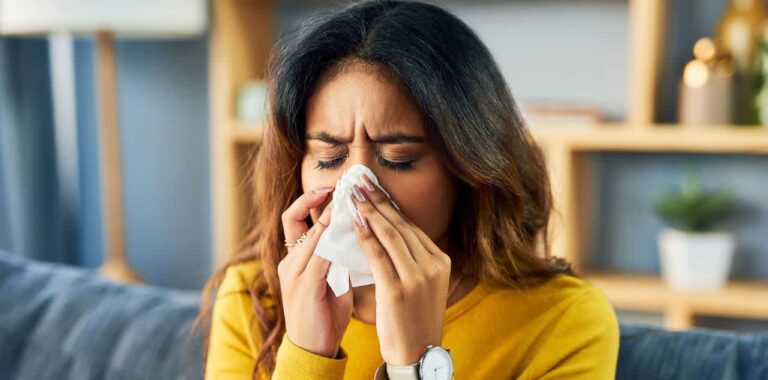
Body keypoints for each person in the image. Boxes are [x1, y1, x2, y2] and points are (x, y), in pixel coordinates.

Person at [196, 1, 619, 379]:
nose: (357, 187)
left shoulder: (563, 320)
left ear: (468, 168)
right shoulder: (254, 298)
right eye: (328, 157)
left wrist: (417, 364)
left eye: (398, 158)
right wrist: (307, 353)